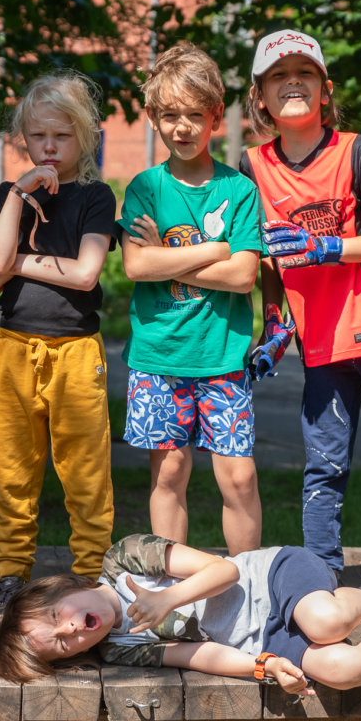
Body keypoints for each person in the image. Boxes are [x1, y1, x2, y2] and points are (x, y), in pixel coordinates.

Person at [238, 30, 361, 602]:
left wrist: (328, 247)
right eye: (278, 75)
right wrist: (274, 323)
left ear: (325, 91)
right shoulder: (251, 166)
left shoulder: (356, 151)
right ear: (260, 98)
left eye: (305, 72)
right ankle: (322, 570)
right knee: (324, 462)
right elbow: (265, 260)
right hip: (319, 336)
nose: (292, 82)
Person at [0, 534, 361, 689]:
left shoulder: (124, 559)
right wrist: (263, 666)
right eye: (64, 645)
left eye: (57, 618)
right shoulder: (121, 649)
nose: (71, 630)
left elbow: (224, 571)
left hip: (271, 577)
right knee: (339, 669)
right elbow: (198, 655)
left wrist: (167, 598)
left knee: (325, 622)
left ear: (61, 589)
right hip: (260, 637)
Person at [0, 70, 117, 637]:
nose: (49, 148)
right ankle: (11, 578)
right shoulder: (9, 196)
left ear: (84, 136)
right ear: (24, 138)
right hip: (13, 349)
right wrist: (18, 195)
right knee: (13, 474)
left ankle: (93, 577)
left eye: (62, 136)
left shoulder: (95, 197)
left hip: (77, 352)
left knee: (86, 476)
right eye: (38, 136)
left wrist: (15, 264)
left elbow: (86, 274)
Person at [117, 42, 264, 556]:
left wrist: (167, 254)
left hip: (223, 358)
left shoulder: (239, 190)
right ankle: (169, 584)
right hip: (158, 358)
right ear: (152, 117)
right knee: (169, 473)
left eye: (195, 115)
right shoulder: (145, 189)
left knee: (240, 479)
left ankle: (249, 584)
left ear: (216, 117)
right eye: (170, 115)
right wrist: (217, 250)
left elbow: (243, 275)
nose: (182, 127)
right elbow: (136, 267)